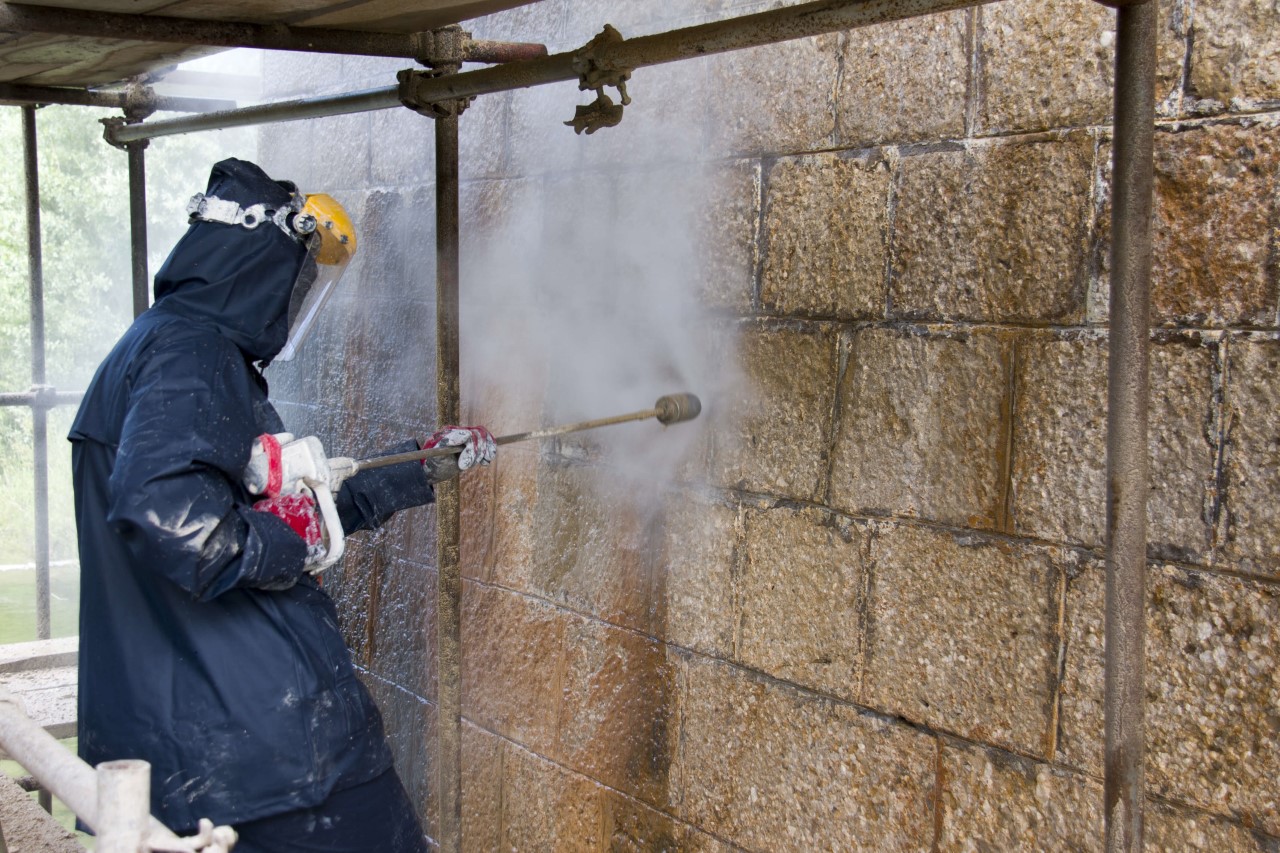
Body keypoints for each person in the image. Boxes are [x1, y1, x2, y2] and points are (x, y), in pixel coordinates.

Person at [68, 158, 494, 852]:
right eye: (299, 281)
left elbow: (249, 509)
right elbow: (181, 521)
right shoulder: (192, 354)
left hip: (196, 748)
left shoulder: (159, 346)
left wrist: (412, 468)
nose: (297, 302)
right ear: (260, 266)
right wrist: (288, 539)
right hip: (266, 755)